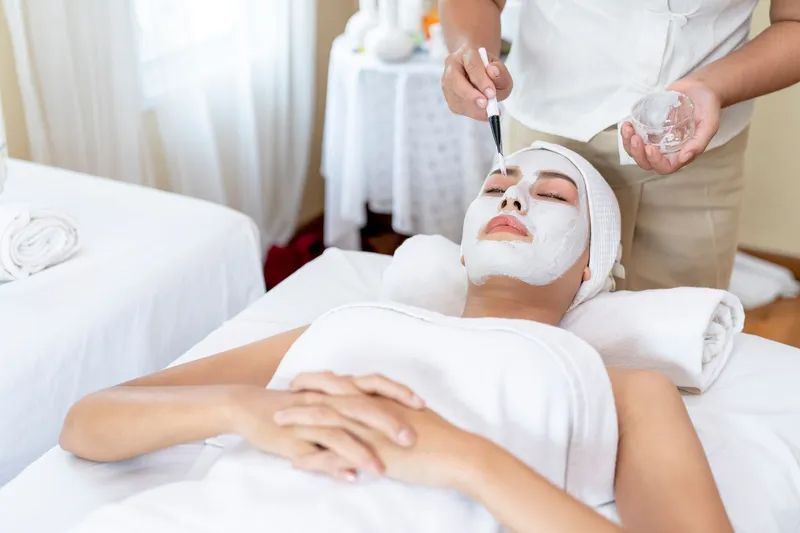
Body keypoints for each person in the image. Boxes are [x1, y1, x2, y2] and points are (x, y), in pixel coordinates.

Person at [61, 144, 731, 532]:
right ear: (463, 251)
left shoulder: (615, 383)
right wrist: (241, 408)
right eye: (497, 186)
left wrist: (465, 459)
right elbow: (88, 420)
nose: (513, 200)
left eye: (553, 195)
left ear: (592, 264)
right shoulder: (352, 322)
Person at [439, 0, 800, 290]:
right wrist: (469, 51)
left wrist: (714, 86)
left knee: (674, 344)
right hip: (545, 135)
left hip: (695, 158)